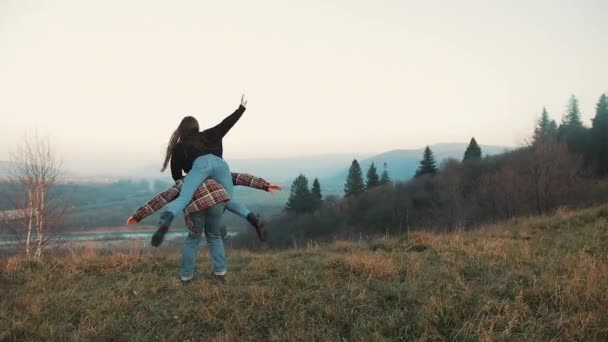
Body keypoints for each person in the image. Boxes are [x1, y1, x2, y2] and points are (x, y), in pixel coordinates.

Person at [127, 172, 282, 282]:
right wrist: (265, 185)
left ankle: (186, 276)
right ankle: (220, 273)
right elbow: (238, 177)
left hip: (196, 209)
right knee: (214, 237)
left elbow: (163, 198)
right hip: (217, 203)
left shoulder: (183, 182)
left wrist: (138, 215)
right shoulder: (213, 175)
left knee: (193, 239)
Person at [154, 94, 259, 246]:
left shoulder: (179, 148)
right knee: (216, 224)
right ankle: (221, 262)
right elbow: (226, 124)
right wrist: (241, 109)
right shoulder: (211, 135)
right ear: (197, 127)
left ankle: (172, 226)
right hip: (219, 187)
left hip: (197, 191)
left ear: (181, 130)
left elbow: (176, 176)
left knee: (195, 233)